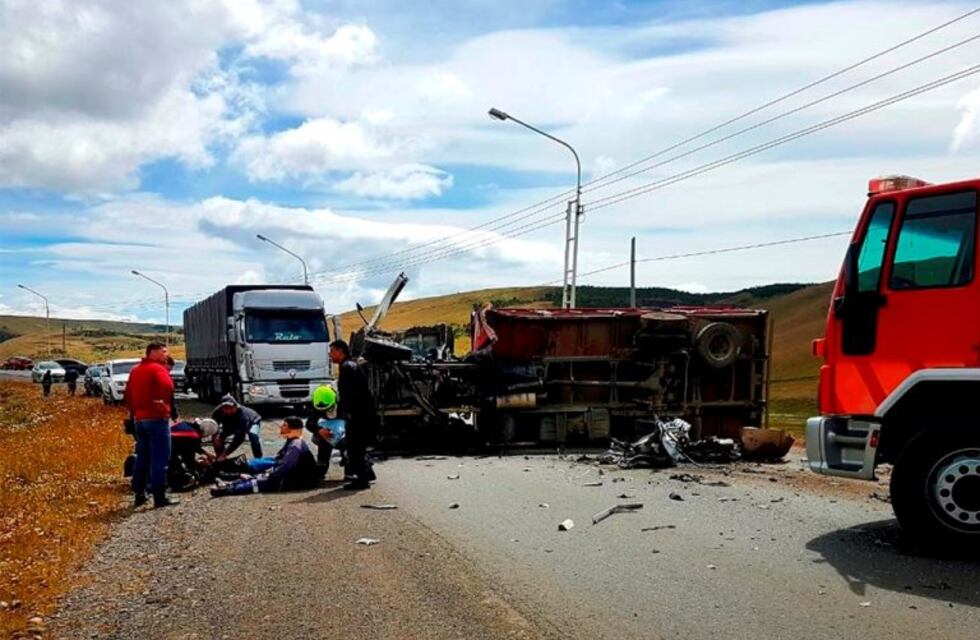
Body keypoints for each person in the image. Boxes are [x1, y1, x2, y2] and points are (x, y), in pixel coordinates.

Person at [125, 342, 178, 508]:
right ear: (153, 353)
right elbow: (168, 387)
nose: (165, 354)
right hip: (157, 418)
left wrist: (135, 411)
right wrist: (164, 406)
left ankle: (139, 494)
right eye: (163, 351)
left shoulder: (135, 370)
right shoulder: (157, 369)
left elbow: (128, 394)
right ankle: (159, 497)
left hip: (140, 419)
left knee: (143, 457)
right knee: (160, 458)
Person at [210, 417, 320, 497]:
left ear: (292, 429)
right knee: (258, 476)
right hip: (295, 477)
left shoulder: (295, 445)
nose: (281, 427)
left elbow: (285, 467)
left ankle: (226, 490)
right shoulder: (293, 442)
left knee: (260, 481)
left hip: (298, 480)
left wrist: (269, 475)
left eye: (285, 425)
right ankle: (230, 484)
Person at [330, 339, 378, 490]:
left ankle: (362, 480)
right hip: (361, 414)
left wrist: (347, 414)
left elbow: (350, 395)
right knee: (357, 447)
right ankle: (364, 475)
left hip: (357, 415)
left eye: (332, 351)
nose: (330, 355)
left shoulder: (347, 367)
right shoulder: (351, 365)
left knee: (355, 447)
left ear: (340, 351)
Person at [168, 418, 218, 491]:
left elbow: (192, 446)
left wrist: (206, 453)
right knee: (179, 475)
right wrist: (201, 464)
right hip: (163, 450)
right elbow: (189, 460)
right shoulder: (193, 436)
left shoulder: (185, 424)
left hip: (156, 443)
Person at [211, 394, 264, 460]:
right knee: (218, 438)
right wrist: (216, 436)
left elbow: (240, 438)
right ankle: (220, 458)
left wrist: (225, 453)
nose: (228, 410)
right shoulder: (217, 412)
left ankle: (258, 458)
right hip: (231, 424)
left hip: (253, 421)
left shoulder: (243, 416)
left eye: (231, 408)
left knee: (253, 436)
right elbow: (213, 427)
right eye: (225, 408)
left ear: (236, 407)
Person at [305, 385, 340, 478]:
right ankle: (321, 468)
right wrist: (320, 430)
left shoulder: (345, 404)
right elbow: (309, 423)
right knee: (323, 444)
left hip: (345, 433)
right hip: (327, 435)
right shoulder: (316, 405)